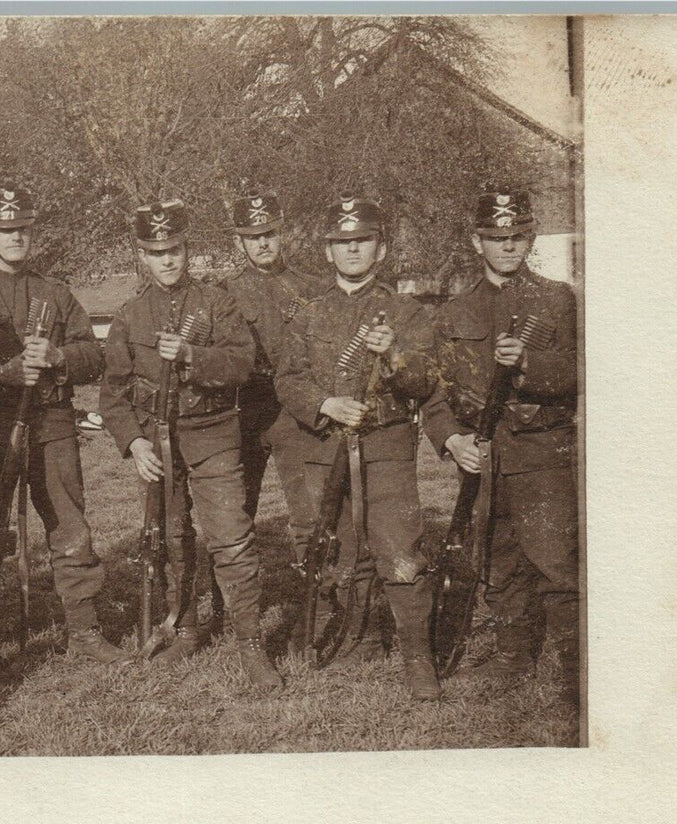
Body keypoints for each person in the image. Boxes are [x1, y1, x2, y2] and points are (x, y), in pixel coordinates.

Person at [99, 199, 281, 691]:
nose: (168, 260)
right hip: (157, 447)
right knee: (171, 538)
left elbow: (244, 363)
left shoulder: (215, 303)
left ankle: (251, 644)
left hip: (214, 434)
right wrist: (134, 443)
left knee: (231, 537)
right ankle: (186, 627)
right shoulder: (129, 316)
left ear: (187, 249)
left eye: (175, 249)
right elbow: (112, 393)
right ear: (143, 255)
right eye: (157, 252)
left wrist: (192, 355)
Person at [276, 195, 441, 700]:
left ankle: (418, 656)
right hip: (324, 446)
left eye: (361, 241)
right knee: (342, 548)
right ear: (328, 252)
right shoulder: (308, 314)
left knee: (399, 547)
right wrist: (325, 403)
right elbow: (288, 377)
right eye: (342, 243)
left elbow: (426, 381)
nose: (351, 251)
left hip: (385, 444)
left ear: (381, 248)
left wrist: (393, 353)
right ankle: (360, 635)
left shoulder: (408, 313)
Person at [421, 190, 580, 706]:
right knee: (495, 555)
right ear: (477, 241)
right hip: (483, 454)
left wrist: (530, 365)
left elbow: (580, 371)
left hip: (541, 450)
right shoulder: (455, 309)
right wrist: (450, 438)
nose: (509, 246)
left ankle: (575, 663)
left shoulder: (556, 299)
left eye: (518, 237)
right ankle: (514, 653)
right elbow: (433, 390)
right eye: (497, 238)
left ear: (530, 238)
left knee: (554, 559)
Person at [0, 185, 127, 665]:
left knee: (68, 525)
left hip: (53, 422)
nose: (15, 237)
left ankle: (83, 630)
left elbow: (93, 356)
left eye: (22, 230)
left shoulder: (56, 293)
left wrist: (58, 356)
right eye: (5, 230)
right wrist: (3, 372)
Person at [214, 189, 325, 650]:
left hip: (294, 413)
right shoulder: (223, 293)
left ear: (281, 234)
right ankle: (229, 607)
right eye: (251, 237)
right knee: (235, 514)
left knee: (307, 513)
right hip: (244, 410)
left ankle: (317, 606)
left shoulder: (312, 288)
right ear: (239, 242)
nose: (261, 244)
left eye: (268, 234)